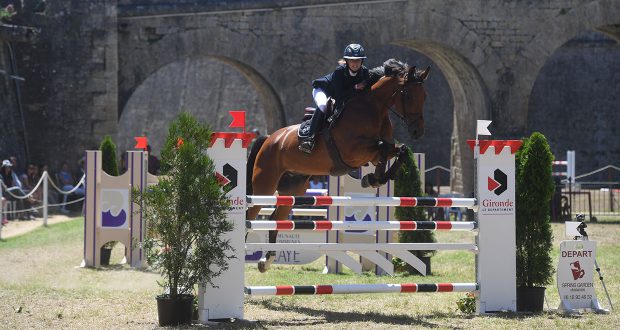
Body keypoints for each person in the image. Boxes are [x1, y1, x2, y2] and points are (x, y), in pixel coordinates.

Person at [299, 43, 370, 154]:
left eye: (358, 60)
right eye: (352, 60)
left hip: (342, 95)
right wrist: (355, 87)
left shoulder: (365, 72)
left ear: (362, 61)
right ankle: (309, 139)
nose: (355, 63)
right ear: (347, 61)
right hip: (323, 90)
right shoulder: (339, 71)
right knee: (322, 105)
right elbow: (340, 96)